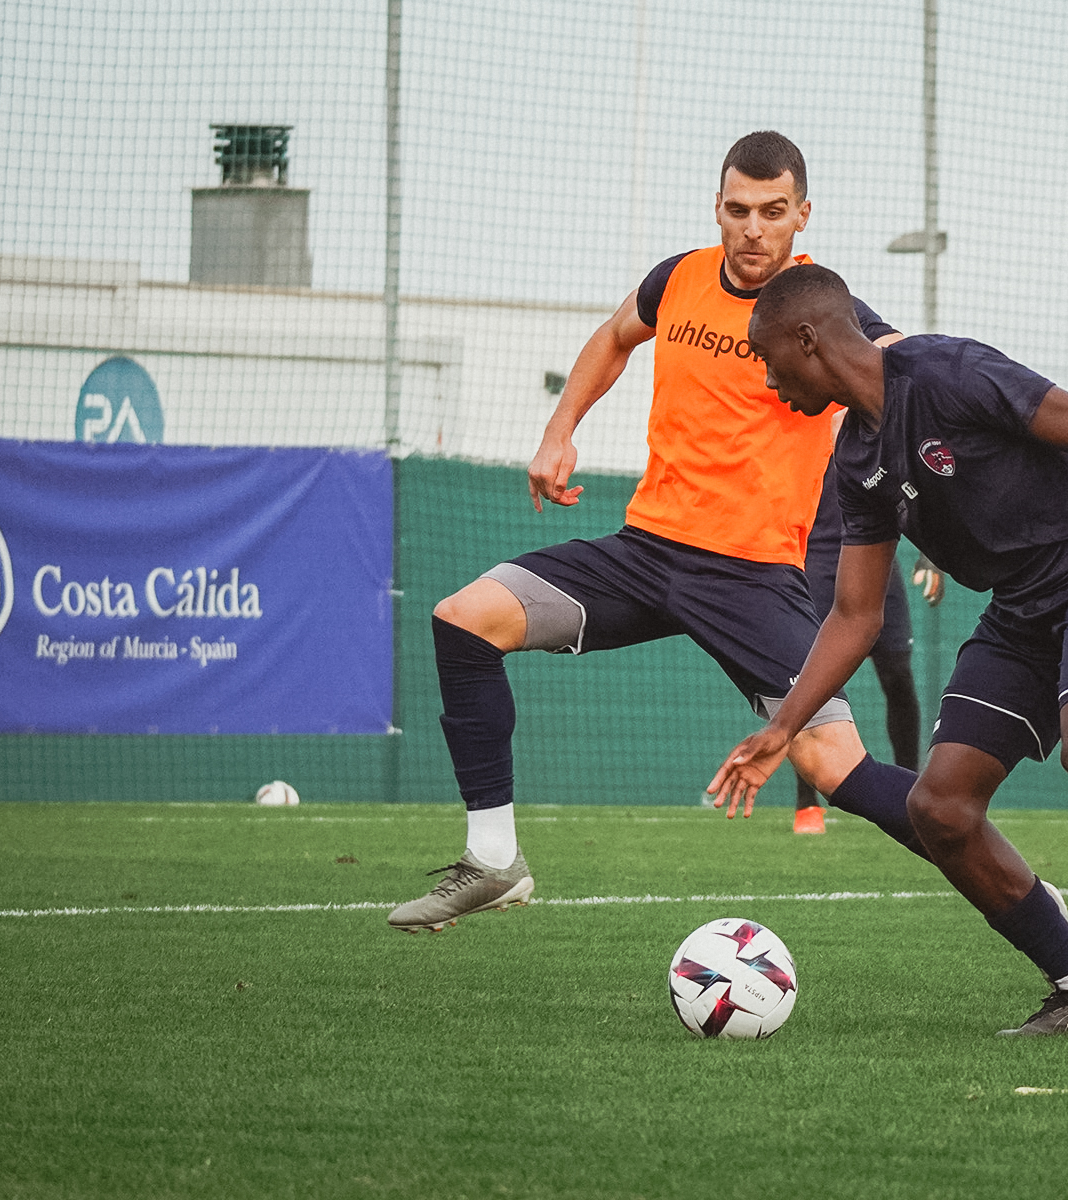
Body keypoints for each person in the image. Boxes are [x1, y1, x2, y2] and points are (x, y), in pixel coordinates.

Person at [709, 265, 1068, 1037]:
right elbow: (855, 617)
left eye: (765, 357)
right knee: (939, 806)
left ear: (808, 339)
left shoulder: (944, 371)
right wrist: (784, 728)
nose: (765, 379)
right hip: (1021, 607)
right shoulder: (856, 462)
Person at [387, 132, 930, 934]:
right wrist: (560, 428)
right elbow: (614, 337)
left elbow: (906, 371)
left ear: (802, 216)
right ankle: (494, 860)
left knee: (832, 764)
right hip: (645, 555)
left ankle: (1007, 877)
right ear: (717, 206)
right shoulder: (676, 278)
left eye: (772, 213)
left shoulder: (827, 313)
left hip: (752, 577)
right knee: (465, 619)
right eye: (738, 210)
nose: (752, 229)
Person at [790, 455, 942, 834]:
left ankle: (912, 794)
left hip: (877, 558)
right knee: (811, 681)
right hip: (817, 563)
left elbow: (912, 484)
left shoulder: (875, 426)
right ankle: (807, 805)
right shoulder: (800, 417)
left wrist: (930, 554)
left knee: (897, 676)